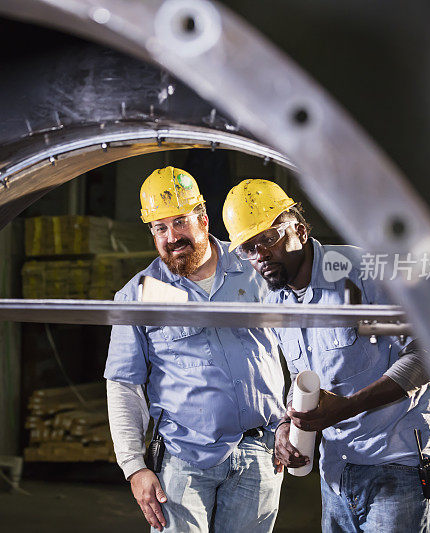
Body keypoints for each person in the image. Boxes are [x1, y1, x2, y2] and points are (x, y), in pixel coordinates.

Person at [222, 179, 430, 532]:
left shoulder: (360, 274)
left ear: (300, 230)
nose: (260, 255)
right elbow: (300, 379)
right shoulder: (276, 301)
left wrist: (348, 406)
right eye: (248, 248)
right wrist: (285, 422)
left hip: (396, 464)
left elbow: (427, 353)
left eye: (268, 239)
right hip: (336, 470)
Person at [105, 167, 285, 532]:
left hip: (260, 453)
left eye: (180, 222)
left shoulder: (255, 268)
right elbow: (123, 384)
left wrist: (293, 425)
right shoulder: (138, 295)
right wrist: (134, 467)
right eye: (160, 227)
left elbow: (300, 350)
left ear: (202, 219)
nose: (172, 237)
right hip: (184, 461)